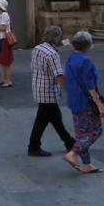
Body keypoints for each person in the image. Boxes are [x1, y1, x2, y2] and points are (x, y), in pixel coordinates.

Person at [28, 25, 77, 157]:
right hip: (48, 91)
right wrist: (69, 91)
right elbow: (59, 75)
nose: (61, 38)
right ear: (55, 37)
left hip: (38, 87)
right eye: (59, 36)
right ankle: (33, 146)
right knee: (42, 120)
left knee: (55, 117)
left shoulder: (37, 49)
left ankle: (69, 141)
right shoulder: (52, 54)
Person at [64, 31, 104, 174]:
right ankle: (73, 153)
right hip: (85, 100)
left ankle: (87, 164)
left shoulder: (71, 57)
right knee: (96, 130)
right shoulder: (85, 61)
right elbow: (90, 86)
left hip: (74, 99)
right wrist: (99, 104)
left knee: (81, 133)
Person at [0, 0, 16, 88]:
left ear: (1, 6)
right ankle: (3, 79)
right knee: (1, 61)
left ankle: (8, 80)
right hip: (0, 40)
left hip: (5, 40)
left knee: (6, 62)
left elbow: (3, 28)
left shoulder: (4, 15)